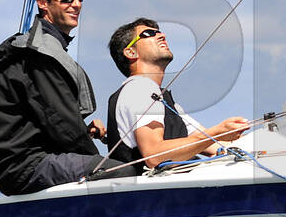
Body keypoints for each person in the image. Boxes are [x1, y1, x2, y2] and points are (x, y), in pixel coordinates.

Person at [0, 0, 123, 195]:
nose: (76, 4)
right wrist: (99, 162)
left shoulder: (46, 50)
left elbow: (49, 120)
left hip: (36, 159)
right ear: (42, 3)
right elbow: (64, 127)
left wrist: (86, 131)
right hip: (23, 167)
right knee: (123, 172)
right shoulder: (38, 55)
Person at [104, 18, 253, 169]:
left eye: (159, 32)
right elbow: (154, 155)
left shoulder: (164, 100)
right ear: (131, 52)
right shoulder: (138, 88)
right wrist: (217, 132)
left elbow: (214, 144)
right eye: (149, 33)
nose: (162, 35)